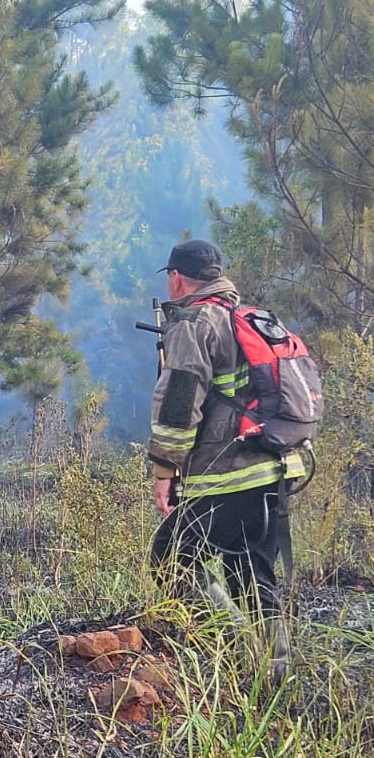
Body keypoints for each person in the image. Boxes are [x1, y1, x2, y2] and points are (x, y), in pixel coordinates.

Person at [147, 240, 293, 681]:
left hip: (229, 475)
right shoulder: (252, 319)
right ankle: (277, 677)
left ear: (177, 278)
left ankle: (229, 649)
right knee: (251, 573)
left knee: (169, 556)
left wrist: (164, 471)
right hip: (277, 467)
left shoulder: (194, 322)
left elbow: (178, 405)